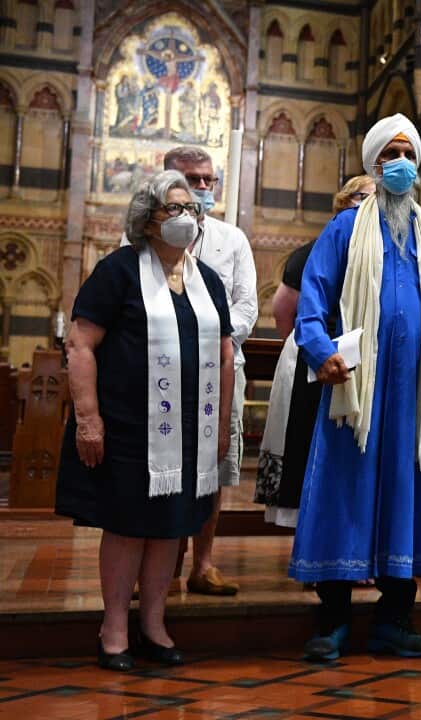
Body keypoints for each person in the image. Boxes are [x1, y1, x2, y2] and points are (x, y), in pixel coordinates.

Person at [289, 114, 421, 661]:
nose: (400, 164)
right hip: (355, 393)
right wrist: (321, 354)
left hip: (414, 397)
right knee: (344, 494)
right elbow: (312, 303)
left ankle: (396, 619)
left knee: (409, 499)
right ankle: (334, 622)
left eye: (408, 154)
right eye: (390, 154)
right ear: (374, 164)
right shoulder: (343, 230)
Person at [57, 171, 234, 671]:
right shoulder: (117, 271)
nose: (185, 218)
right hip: (128, 428)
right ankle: (114, 629)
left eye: (190, 210)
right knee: (129, 527)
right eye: (173, 208)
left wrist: (221, 425)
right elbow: (80, 344)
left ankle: (154, 625)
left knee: (169, 529)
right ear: (147, 219)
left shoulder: (209, 283)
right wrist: (88, 420)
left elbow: (223, 359)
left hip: (189, 434)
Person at [120, 146, 258, 597]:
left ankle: (204, 563)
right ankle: (159, 568)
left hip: (218, 368)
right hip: (159, 370)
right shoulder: (137, 240)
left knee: (212, 468)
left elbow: (246, 307)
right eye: (192, 180)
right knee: (161, 463)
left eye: (208, 180)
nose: (202, 188)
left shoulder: (231, 239)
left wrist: (203, 337)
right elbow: (132, 300)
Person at [256, 175, 375, 528]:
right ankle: (308, 537)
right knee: (307, 443)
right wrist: (310, 347)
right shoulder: (313, 251)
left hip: (365, 359)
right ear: (344, 203)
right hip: (314, 355)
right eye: (364, 198)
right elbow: (283, 311)